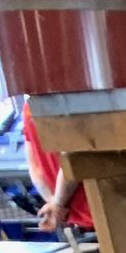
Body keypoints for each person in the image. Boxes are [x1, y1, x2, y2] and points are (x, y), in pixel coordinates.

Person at [19, 98, 92, 234]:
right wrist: (56, 203)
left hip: (73, 214)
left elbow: (34, 166)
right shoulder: (64, 101)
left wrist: (53, 203)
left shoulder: (29, 107)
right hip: (93, 209)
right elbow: (71, 157)